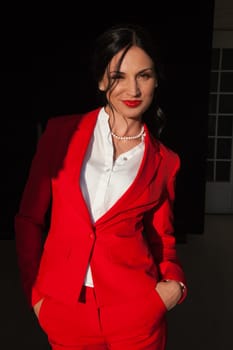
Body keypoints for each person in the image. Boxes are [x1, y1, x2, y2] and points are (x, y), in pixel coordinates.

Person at [15, 23, 187, 350]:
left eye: (144, 76)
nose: (132, 90)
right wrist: (36, 296)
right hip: (65, 308)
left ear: (155, 82)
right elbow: (29, 219)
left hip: (137, 310)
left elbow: (160, 236)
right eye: (118, 76)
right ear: (100, 80)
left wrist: (173, 285)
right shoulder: (60, 134)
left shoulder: (165, 161)